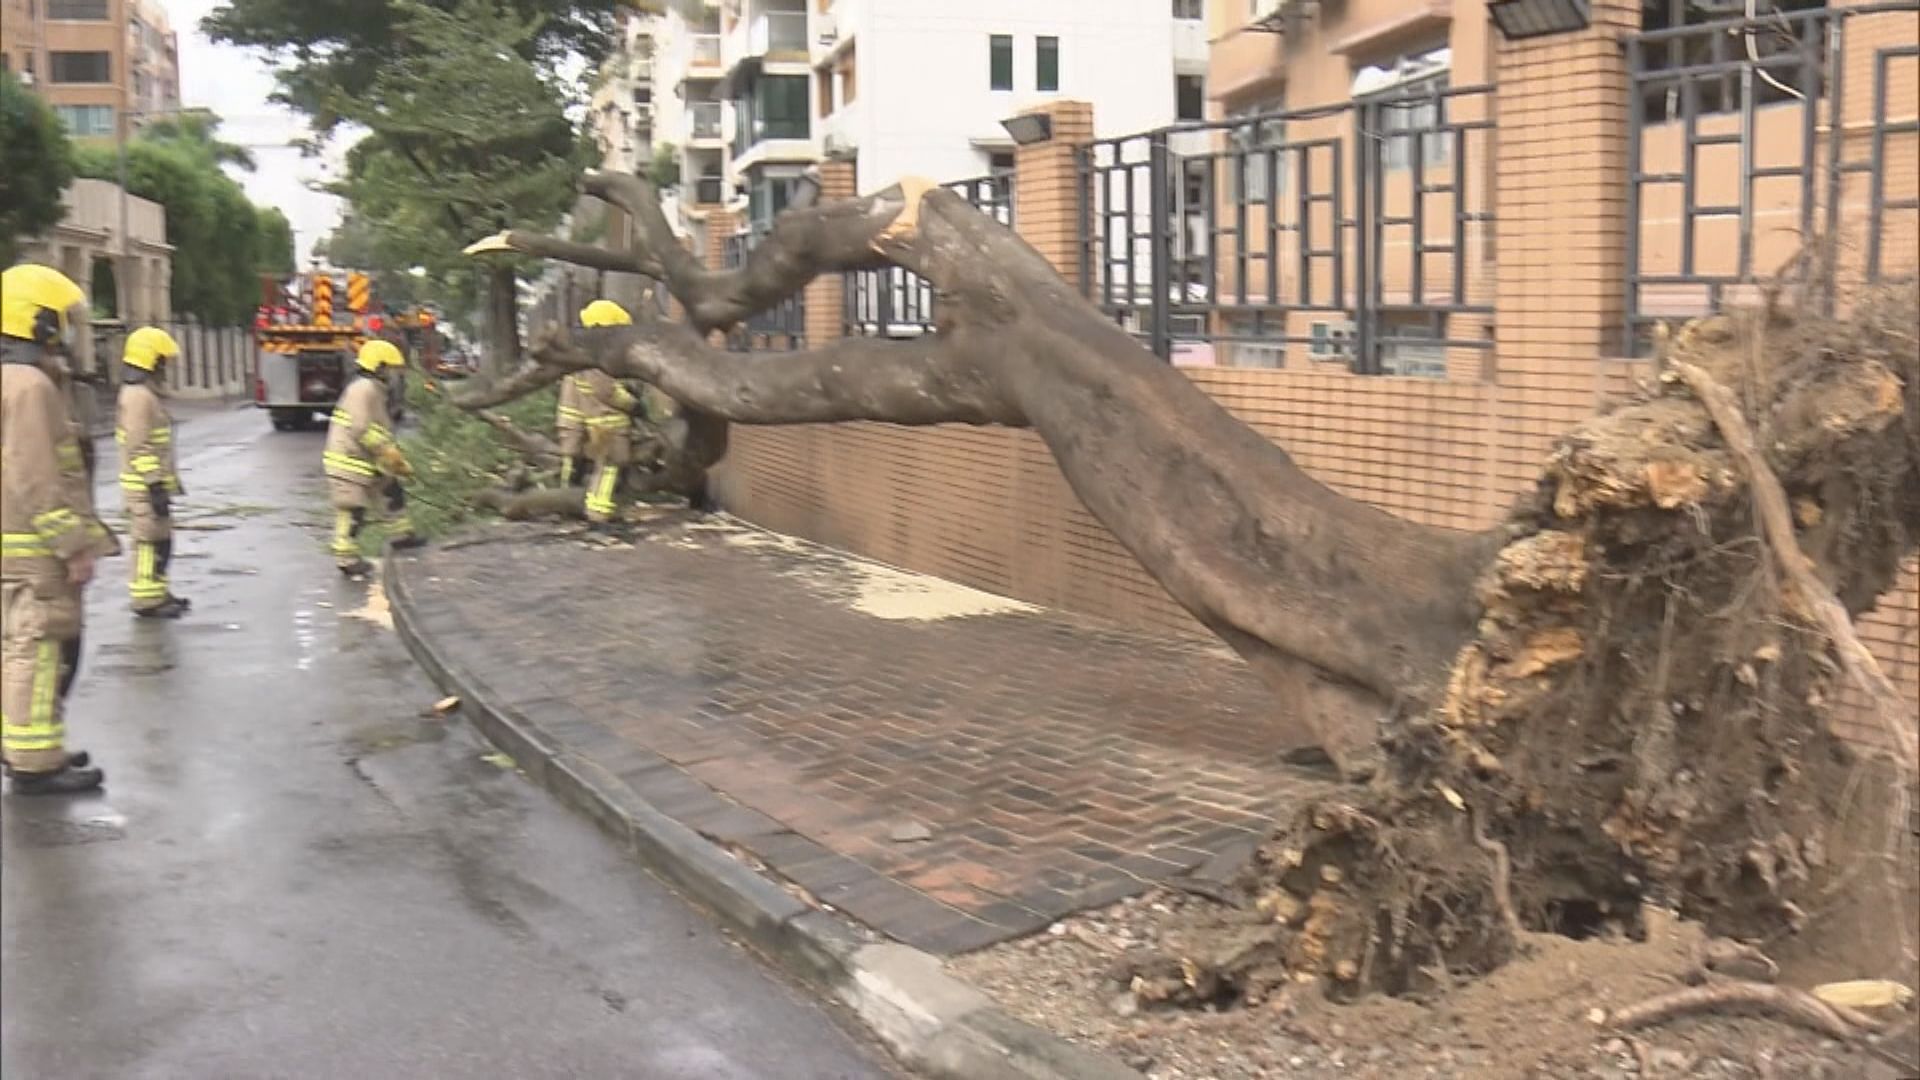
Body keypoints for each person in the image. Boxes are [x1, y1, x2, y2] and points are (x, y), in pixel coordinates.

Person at [1, 263, 119, 794]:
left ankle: (33, 745)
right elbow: (35, 473)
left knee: (24, 645)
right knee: (40, 644)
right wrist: (72, 546)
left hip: (17, 542)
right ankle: (34, 761)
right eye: (60, 320)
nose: (67, 330)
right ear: (37, 322)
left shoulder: (21, 380)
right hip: (36, 547)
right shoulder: (29, 387)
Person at [325, 339, 422, 578]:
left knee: (392, 490)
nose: (395, 376)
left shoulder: (374, 390)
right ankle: (346, 559)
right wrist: (387, 453)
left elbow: (379, 428)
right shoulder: (364, 389)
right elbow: (362, 428)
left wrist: (394, 461)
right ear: (379, 367)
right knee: (352, 509)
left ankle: (401, 536)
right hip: (348, 460)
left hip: (363, 459)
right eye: (391, 369)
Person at [117, 327, 190, 618]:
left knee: (161, 540)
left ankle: (158, 592)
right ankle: (147, 599)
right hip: (143, 487)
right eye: (161, 360)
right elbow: (139, 445)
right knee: (148, 541)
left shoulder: (144, 394)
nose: (164, 367)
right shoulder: (138, 397)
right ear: (150, 360)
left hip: (150, 485)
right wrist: (153, 483)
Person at [575, 300, 640, 525]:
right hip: (609, 422)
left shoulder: (586, 356)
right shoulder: (599, 358)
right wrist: (633, 403)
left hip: (597, 422)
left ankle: (598, 510)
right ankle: (599, 515)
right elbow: (607, 391)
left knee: (602, 468)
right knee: (611, 467)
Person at [555, 361, 586, 488]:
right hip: (572, 422)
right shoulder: (581, 376)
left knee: (575, 457)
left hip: (570, 421)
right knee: (570, 458)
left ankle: (572, 485)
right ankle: (566, 488)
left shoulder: (571, 375)